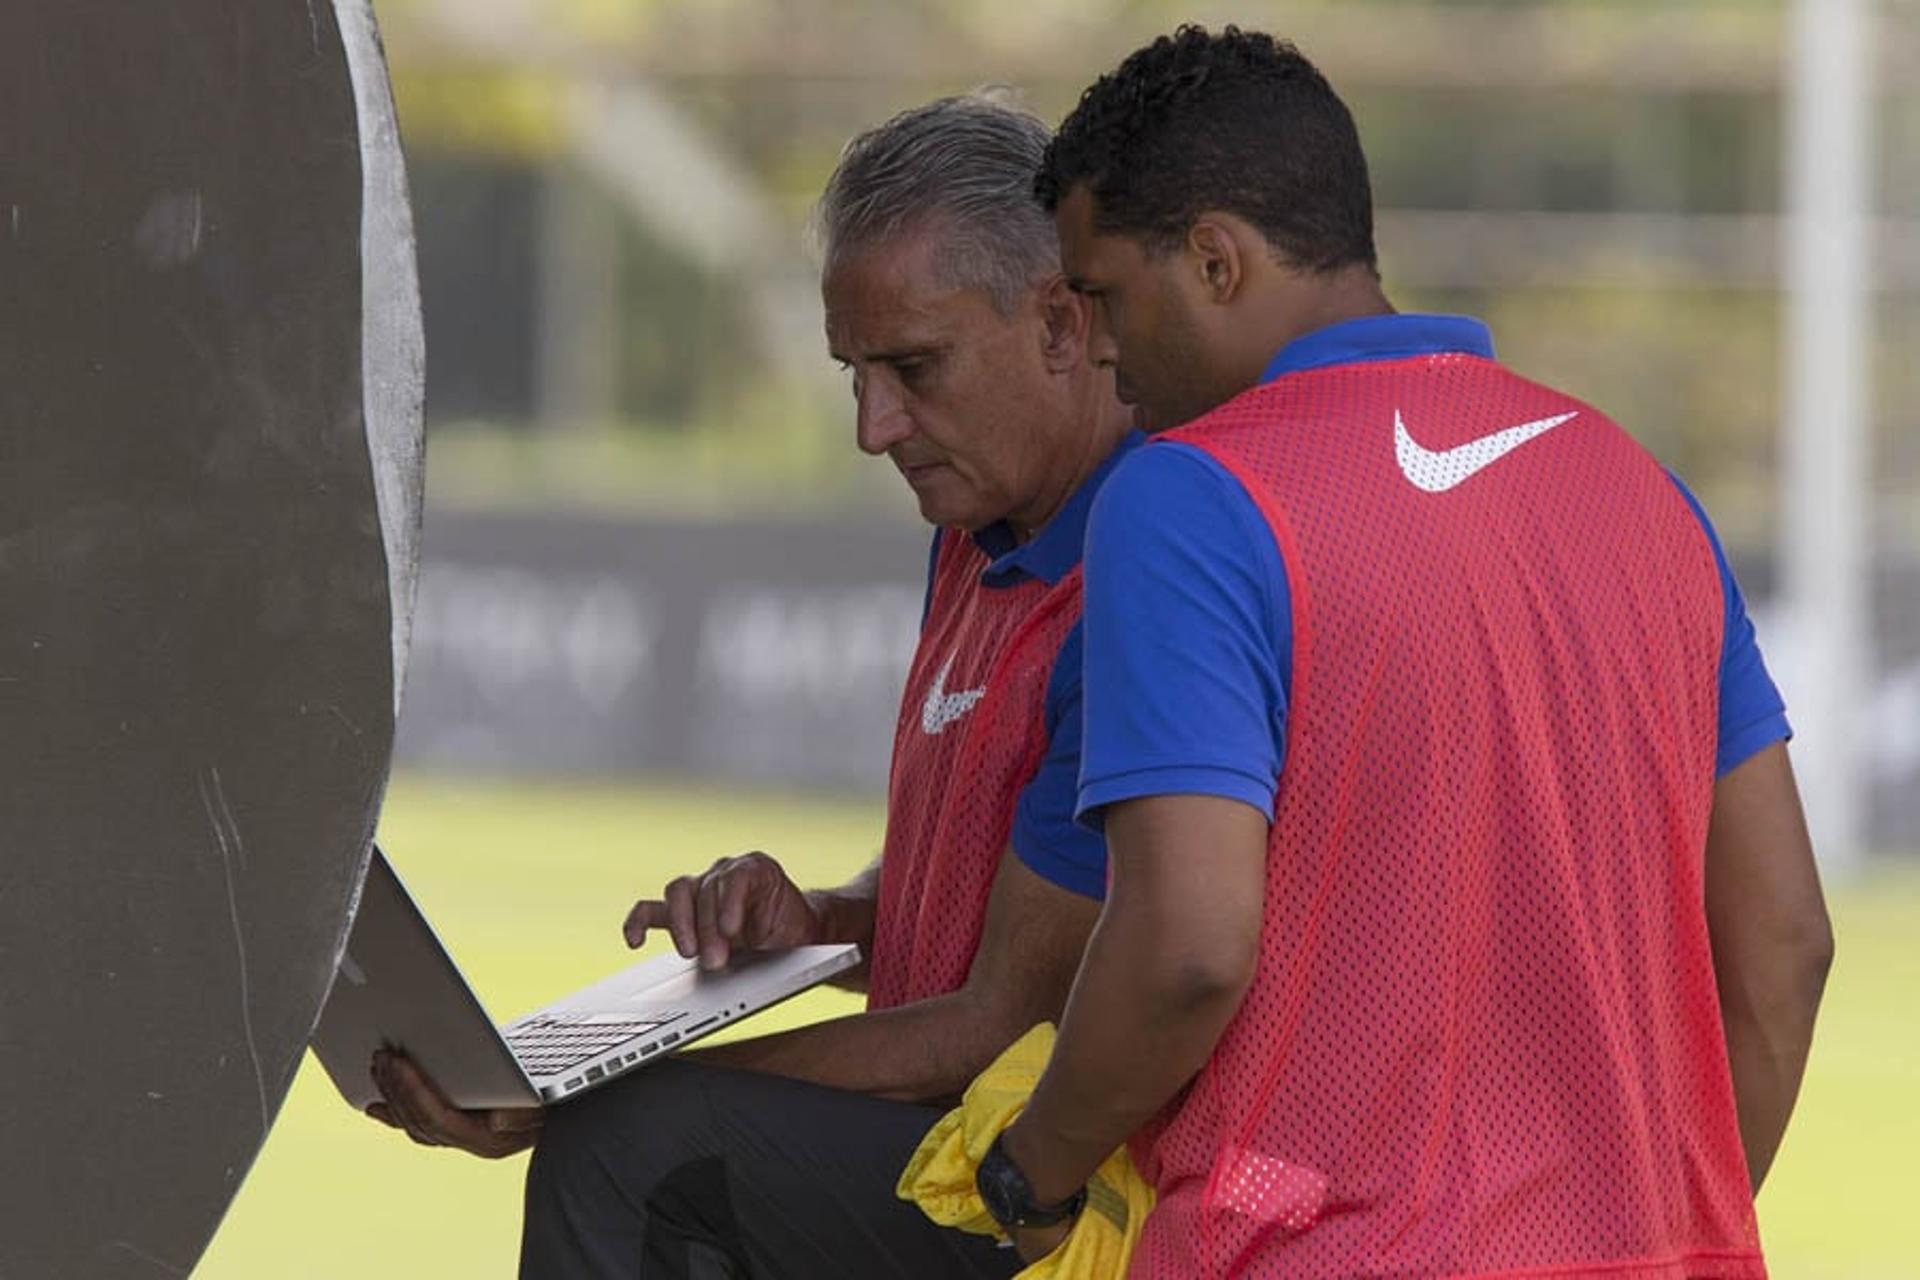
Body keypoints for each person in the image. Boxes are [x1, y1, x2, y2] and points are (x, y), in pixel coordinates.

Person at [978, 27, 1834, 1277]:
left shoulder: (1187, 496)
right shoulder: (1641, 487)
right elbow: (1785, 943)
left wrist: (1030, 1167)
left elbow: (1188, 943)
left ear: (1216, 260)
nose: (1100, 350)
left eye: (1101, 296)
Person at [369, 93, 1140, 1278]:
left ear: (1056, 321)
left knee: (630, 1151)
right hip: (950, 1148)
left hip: (1054, 1192)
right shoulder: (979, 520)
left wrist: (586, 1086)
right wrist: (826, 916)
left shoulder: (1145, 568)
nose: (874, 426)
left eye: (914, 368)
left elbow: (993, 1026)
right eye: (853, 373)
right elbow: (1005, 894)